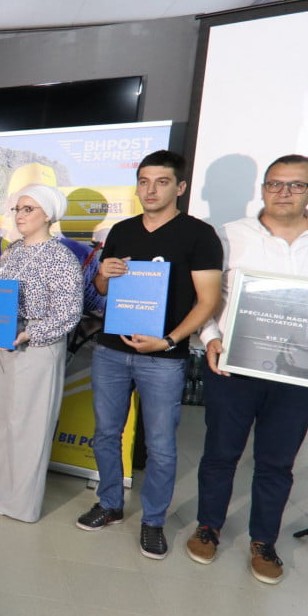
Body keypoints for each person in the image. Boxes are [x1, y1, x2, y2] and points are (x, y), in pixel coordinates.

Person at [75, 150, 223, 560]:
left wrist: (169, 341)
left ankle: (154, 520)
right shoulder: (122, 230)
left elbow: (208, 301)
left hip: (164, 356)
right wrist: (103, 274)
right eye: (144, 181)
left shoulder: (199, 235)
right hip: (111, 350)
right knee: (106, 433)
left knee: (160, 445)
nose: (151, 190)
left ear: (180, 187)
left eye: (161, 182)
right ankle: (109, 503)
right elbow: (103, 291)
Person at [191, 154, 308, 584]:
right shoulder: (230, 235)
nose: (283, 193)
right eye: (274, 184)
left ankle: (263, 541)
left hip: (298, 374)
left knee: (277, 461)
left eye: (296, 185)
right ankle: (208, 526)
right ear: (263, 188)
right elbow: (206, 296)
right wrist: (210, 336)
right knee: (220, 453)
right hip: (234, 366)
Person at [0, 185, 82, 521]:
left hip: (36, 347)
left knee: (28, 426)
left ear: (48, 215)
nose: (20, 216)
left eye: (28, 209)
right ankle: (1, 494)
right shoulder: (11, 252)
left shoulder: (61, 257)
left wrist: (28, 333)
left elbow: (68, 314)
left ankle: (22, 505)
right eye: (18, 209)